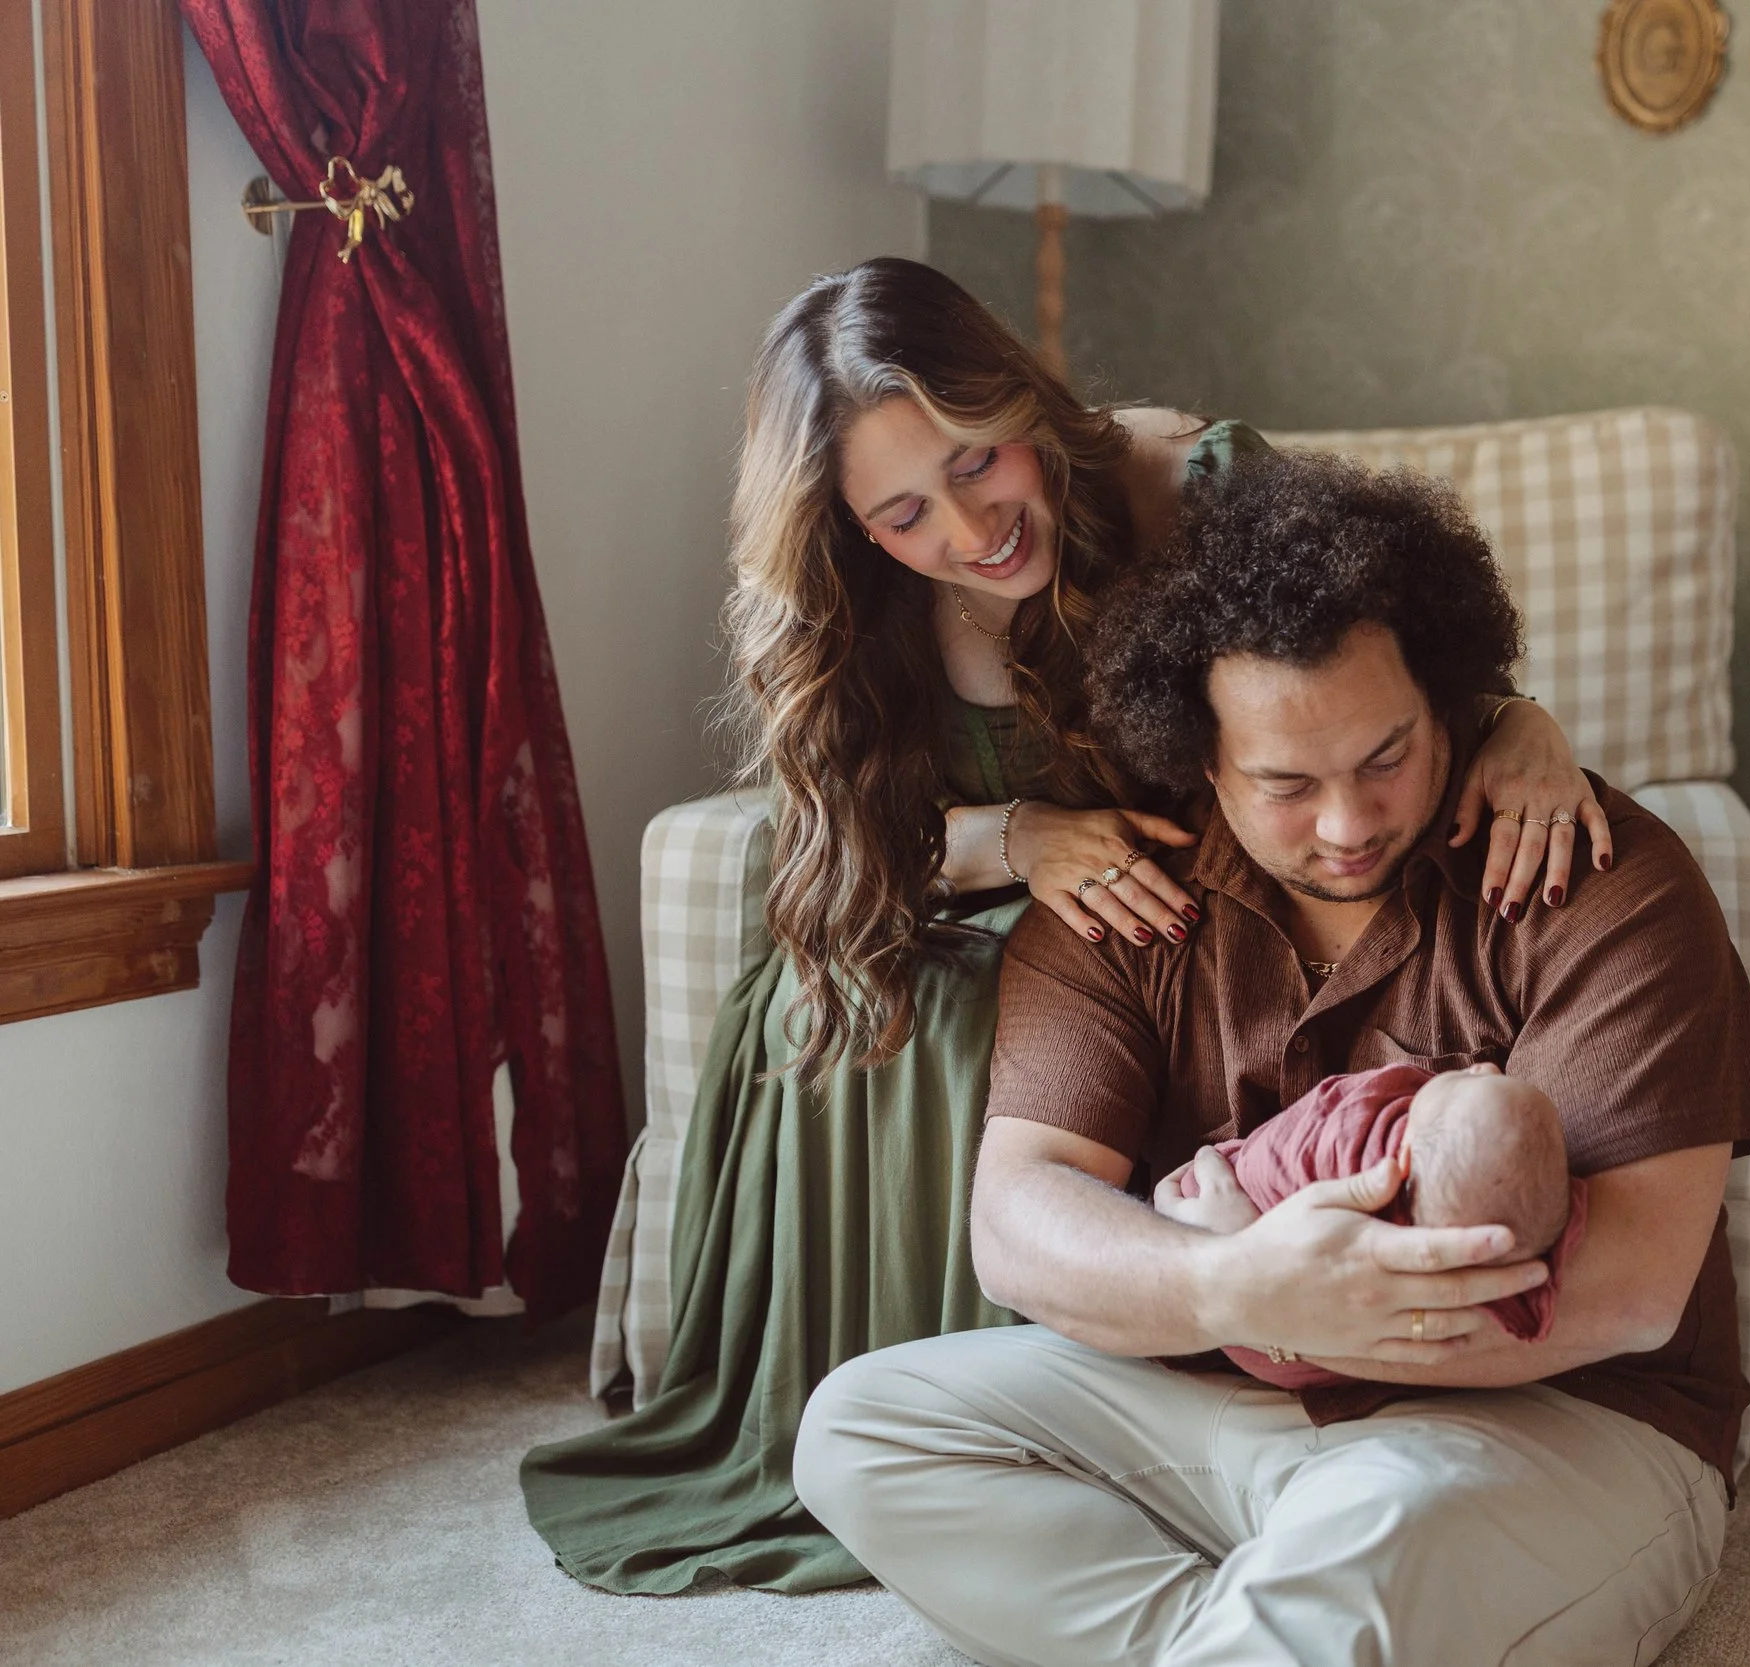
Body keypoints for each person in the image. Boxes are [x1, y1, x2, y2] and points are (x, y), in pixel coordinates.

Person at [519, 258, 1609, 1594]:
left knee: (1044, 1006)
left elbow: (1390, 678)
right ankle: (894, 1420)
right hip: (974, 915)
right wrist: (1016, 840)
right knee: (868, 1007)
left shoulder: (1182, 483)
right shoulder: (863, 604)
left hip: (1186, 935)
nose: (971, 529)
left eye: (980, 461)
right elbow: (842, 855)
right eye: (906, 510)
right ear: (853, 523)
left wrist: (1529, 727)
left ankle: (1103, 1423)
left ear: (1021, 402)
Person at [793, 450, 1750, 1664]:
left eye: (1386, 756)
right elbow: (1019, 1215)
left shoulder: (1601, 878)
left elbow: (1629, 1290)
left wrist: (1304, 1313)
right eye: (1285, 783)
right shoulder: (1122, 901)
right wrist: (1233, 1290)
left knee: (1370, 1542)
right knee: (864, 1424)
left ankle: (1289, 1613)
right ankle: (1249, 1627)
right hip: (1216, 1394)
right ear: (1201, 761)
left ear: (1450, 702)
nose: (1347, 821)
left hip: (1547, 1419)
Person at [1162, 1059, 1587, 1391]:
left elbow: (1290, 1141)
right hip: (1313, 1367)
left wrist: (1233, 1243)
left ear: (1400, 1159)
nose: (1488, 1067)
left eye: (1472, 1080)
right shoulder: (1504, 1263)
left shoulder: (1355, 1140)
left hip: (1234, 1295)